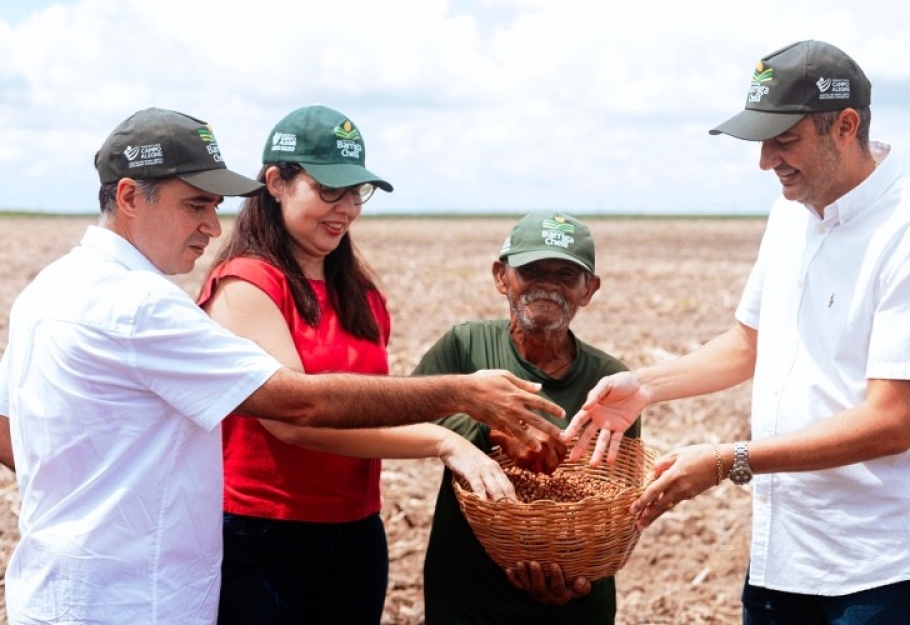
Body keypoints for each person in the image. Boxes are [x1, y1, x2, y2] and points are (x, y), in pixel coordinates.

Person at [0, 107, 564, 625]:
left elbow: (9, 432)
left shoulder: (49, 290)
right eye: (195, 205)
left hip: (66, 585)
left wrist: (87, 491)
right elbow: (297, 405)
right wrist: (459, 399)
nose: (211, 226)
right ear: (129, 196)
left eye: (214, 207)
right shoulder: (142, 304)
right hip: (136, 597)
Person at [563, 40, 910, 624]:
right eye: (761, 141)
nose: (766, 161)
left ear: (846, 126)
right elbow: (746, 344)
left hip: (879, 567)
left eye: (785, 140)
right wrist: (645, 387)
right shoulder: (791, 212)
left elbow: (892, 422)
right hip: (784, 553)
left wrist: (727, 460)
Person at [197, 104, 518, 625]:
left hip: (356, 533)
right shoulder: (246, 285)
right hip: (261, 536)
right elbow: (291, 420)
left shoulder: (361, 295)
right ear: (276, 182)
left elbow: (367, 410)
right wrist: (443, 438)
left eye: (356, 193)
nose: (345, 208)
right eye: (329, 190)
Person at [417, 212, 641, 625]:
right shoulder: (465, 347)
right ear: (501, 276)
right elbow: (407, 419)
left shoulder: (608, 380)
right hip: (468, 589)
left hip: (572, 598)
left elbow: (614, 499)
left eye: (565, 275)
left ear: (588, 290)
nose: (548, 286)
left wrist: (579, 579)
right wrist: (490, 429)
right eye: (532, 271)